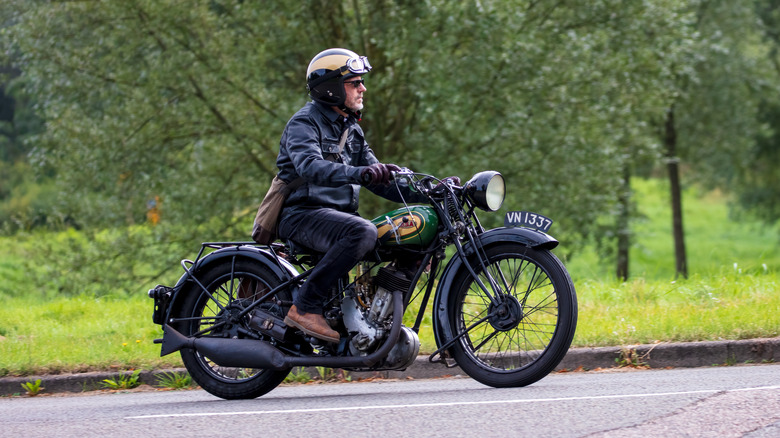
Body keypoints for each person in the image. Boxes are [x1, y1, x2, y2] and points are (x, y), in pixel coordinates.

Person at [276, 48, 427, 343]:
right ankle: (304, 308)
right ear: (331, 88)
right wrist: (358, 173)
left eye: (360, 82)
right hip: (301, 215)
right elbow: (309, 166)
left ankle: (374, 319)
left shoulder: (351, 130)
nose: (363, 88)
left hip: (338, 218)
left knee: (413, 236)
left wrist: (428, 191)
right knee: (362, 231)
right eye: (354, 82)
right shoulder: (304, 123)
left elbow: (380, 180)